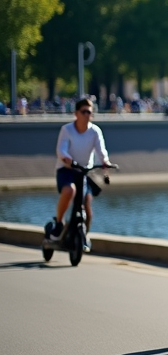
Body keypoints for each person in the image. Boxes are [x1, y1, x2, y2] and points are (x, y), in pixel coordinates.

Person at [47, 97, 113, 248]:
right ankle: (58, 223)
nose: (87, 115)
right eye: (84, 112)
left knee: (87, 205)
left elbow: (101, 150)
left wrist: (105, 162)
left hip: (84, 172)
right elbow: (61, 149)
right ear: (76, 113)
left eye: (90, 112)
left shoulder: (95, 131)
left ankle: (84, 235)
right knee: (70, 190)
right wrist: (67, 158)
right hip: (67, 170)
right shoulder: (67, 130)